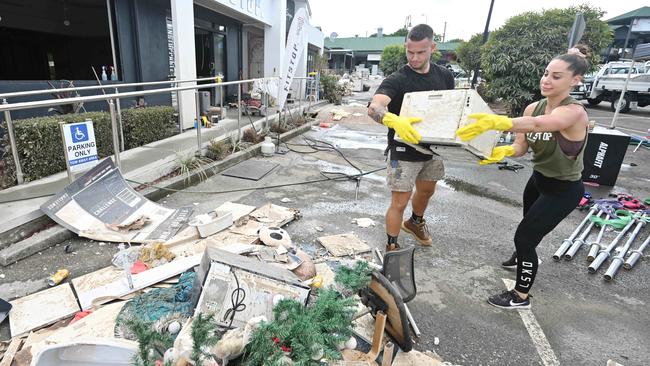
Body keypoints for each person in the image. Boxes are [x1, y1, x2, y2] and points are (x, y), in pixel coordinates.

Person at [456, 45, 591, 309]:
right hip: (538, 181)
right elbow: (520, 148)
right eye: (545, 73)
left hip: (563, 190)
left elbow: (542, 125)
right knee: (528, 230)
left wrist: (499, 122)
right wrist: (501, 151)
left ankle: (520, 296)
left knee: (525, 237)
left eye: (556, 76)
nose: (546, 80)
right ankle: (523, 258)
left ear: (575, 80)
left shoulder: (574, 112)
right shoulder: (532, 108)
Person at [367, 24, 455, 252]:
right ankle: (392, 246)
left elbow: (450, 106)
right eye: (410, 52)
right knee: (399, 201)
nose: (414, 58)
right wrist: (390, 119)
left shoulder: (444, 76)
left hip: (433, 148)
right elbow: (375, 106)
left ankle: (415, 222)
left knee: (427, 191)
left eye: (421, 52)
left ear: (432, 48)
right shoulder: (397, 79)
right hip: (402, 150)